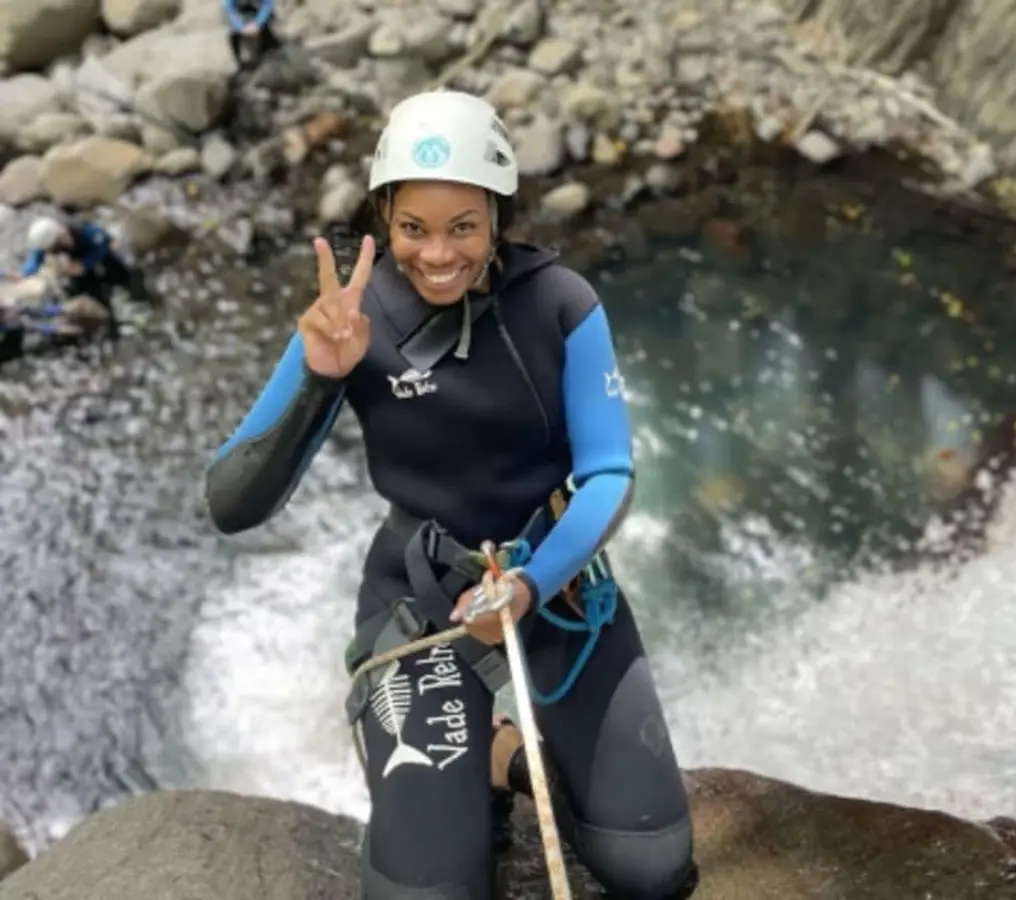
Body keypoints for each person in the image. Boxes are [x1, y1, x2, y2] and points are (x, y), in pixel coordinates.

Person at [204, 90, 698, 900]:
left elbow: (611, 472)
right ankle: (495, 762)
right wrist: (317, 381)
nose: (438, 253)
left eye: (463, 226)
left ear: (496, 217)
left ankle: (504, 750)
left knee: (651, 865)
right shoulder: (348, 320)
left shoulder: (561, 304)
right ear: (384, 217)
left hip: (555, 580)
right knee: (430, 890)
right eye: (413, 229)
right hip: (420, 601)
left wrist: (531, 581)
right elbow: (232, 504)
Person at [21, 216, 139, 322]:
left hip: (100, 250)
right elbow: (36, 258)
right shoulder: (48, 241)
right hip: (77, 258)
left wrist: (85, 264)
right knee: (85, 287)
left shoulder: (84, 231)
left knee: (120, 272)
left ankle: (134, 294)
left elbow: (102, 246)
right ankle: (103, 311)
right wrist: (25, 274)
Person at [223, 0, 280, 69]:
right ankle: (240, 63)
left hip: (259, 13)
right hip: (240, 16)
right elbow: (229, 10)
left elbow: (267, 5)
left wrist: (258, 23)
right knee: (232, 34)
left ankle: (269, 52)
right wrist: (241, 28)